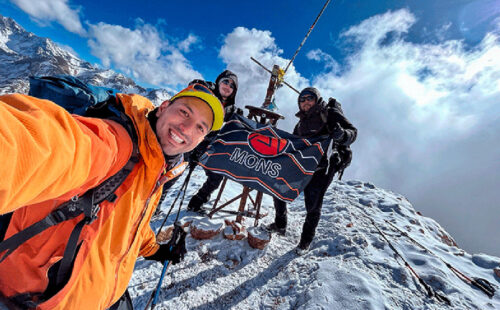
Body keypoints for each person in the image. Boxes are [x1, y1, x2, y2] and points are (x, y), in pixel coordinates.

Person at [0, 83, 224, 309]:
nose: (187, 128)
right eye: (184, 112)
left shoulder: (155, 167)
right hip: (38, 300)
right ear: (163, 107)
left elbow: (130, 223)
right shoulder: (116, 144)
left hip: (101, 298)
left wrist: (156, 250)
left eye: (200, 128)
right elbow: (41, 145)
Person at [266, 87, 357, 254]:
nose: (306, 102)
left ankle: (305, 241)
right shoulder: (301, 122)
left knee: (313, 204)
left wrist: (342, 134)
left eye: (310, 98)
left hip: (324, 167)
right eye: (302, 99)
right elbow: (294, 143)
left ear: (317, 99)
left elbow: (353, 132)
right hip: (303, 165)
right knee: (278, 187)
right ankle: (280, 224)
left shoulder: (329, 113)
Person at [186, 70, 240, 213]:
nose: (228, 86)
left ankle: (196, 203)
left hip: (208, 146)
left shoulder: (231, 109)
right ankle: (155, 204)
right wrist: (198, 85)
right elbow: (193, 88)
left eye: (232, 86)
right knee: (173, 173)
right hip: (188, 139)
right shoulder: (208, 91)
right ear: (219, 81)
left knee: (216, 177)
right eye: (226, 81)